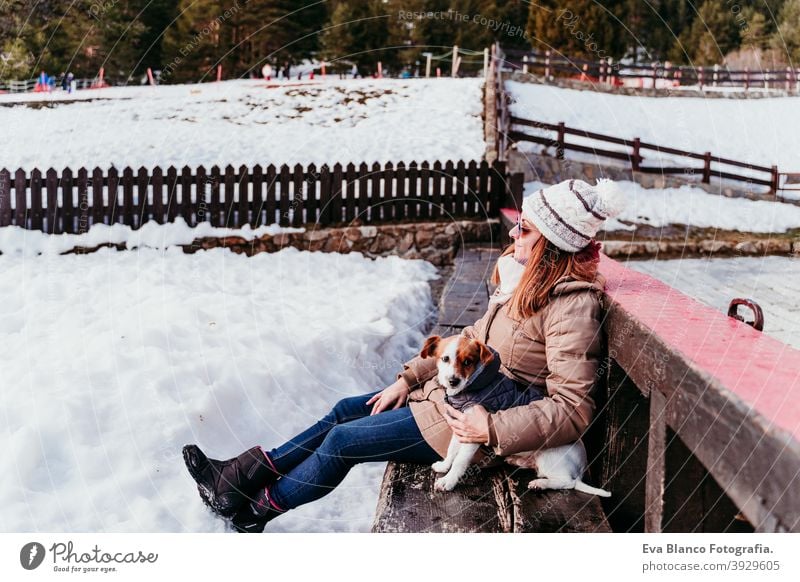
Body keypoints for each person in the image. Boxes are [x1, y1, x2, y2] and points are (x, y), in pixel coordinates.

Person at [183, 178, 626, 533]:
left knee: (343, 442)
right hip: (451, 396)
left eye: (525, 228)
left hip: (469, 426)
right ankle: (236, 479)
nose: (513, 232)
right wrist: (410, 377)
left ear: (551, 241)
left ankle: (254, 512)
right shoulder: (522, 279)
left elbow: (572, 409)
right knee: (344, 410)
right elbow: (470, 340)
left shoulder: (571, 305)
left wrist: (489, 426)